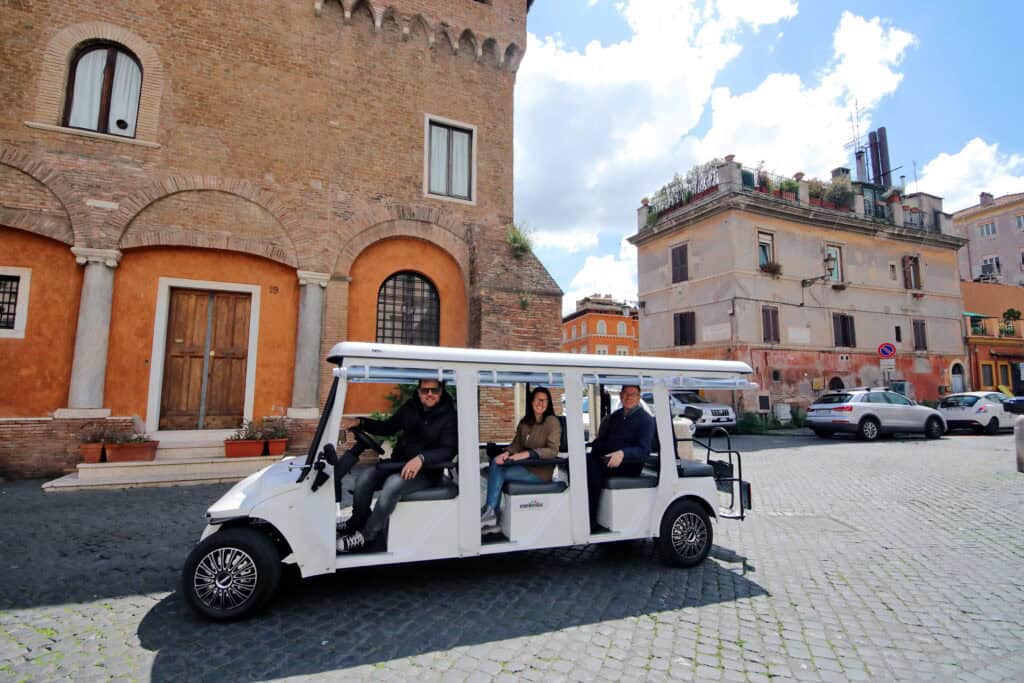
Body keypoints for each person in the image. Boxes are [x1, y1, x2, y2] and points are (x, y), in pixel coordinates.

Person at [336, 379, 458, 552]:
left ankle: (367, 535)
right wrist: (360, 423)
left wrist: (421, 458)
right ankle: (357, 521)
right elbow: (388, 427)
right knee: (365, 477)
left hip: (427, 471)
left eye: (434, 390)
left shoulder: (449, 417)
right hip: (398, 464)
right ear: (418, 392)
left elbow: (448, 450)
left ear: (442, 391)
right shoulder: (411, 407)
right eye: (425, 390)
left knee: (393, 484)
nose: (429, 394)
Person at [481, 387, 562, 533]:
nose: (541, 403)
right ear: (531, 402)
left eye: (545, 400)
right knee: (494, 465)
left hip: (540, 472)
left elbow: (552, 450)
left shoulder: (552, 422)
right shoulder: (525, 423)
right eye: (538, 399)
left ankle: (490, 514)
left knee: (498, 469)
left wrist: (528, 454)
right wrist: (505, 454)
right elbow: (516, 445)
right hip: (524, 467)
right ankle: (491, 512)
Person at [585, 384, 655, 531]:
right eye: (625, 394)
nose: (628, 397)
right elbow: (603, 441)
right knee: (580, 462)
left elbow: (644, 450)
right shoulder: (615, 416)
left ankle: (590, 519)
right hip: (608, 460)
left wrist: (623, 453)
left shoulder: (646, 420)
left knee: (592, 467)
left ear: (639, 396)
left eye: (632, 394)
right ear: (620, 395)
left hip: (629, 464)